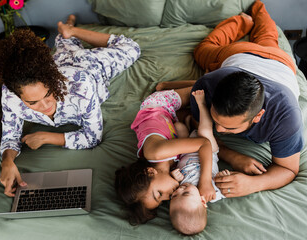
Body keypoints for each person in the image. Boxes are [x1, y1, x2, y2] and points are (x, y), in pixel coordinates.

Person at [158, 0, 304, 198]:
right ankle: (242, 22)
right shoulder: (208, 85)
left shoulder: (286, 117)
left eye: (230, 128)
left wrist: (254, 184)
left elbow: (288, 169)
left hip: (279, 61)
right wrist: (231, 155)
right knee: (203, 49)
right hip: (238, 55)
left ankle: (257, 6)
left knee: (268, 37)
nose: (218, 130)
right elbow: (195, 121)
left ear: (258, 116)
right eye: (215, 120)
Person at [0, 15, 140, 197]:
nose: (45, 105)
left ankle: (73, 30)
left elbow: (92, 137)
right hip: (60, 59)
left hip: (88, 65)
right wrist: (7, 161)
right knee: (64, 41)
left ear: (52, 82)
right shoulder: (9, 95)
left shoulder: (82, 87)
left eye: (48, 94)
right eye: (32, 102)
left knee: (132, 48)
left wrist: (47, 137)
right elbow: (10, 135)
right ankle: (67, 31)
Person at [115, 89, 217, 225]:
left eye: (159, 194)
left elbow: (204, 144)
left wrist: (205, 182)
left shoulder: (156, 153)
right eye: (163, 200)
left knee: (202, 89)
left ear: (150, 172)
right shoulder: (169, 170)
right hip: (171, 122)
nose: (168, 197)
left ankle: (164, 87)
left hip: (158, 105)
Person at [169, 90, 229, 235]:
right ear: (202, 201)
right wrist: (224, 175)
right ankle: (201, 105)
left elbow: (174, 177)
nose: (179, 190)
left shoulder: (178, 185)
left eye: (174, 196)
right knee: (203, 130)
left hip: (186, 149)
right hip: (209, 150)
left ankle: (189, 125)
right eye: (186, 194)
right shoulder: (213, 194)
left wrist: (174, 176)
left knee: (178, 127)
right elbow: (225, 181)